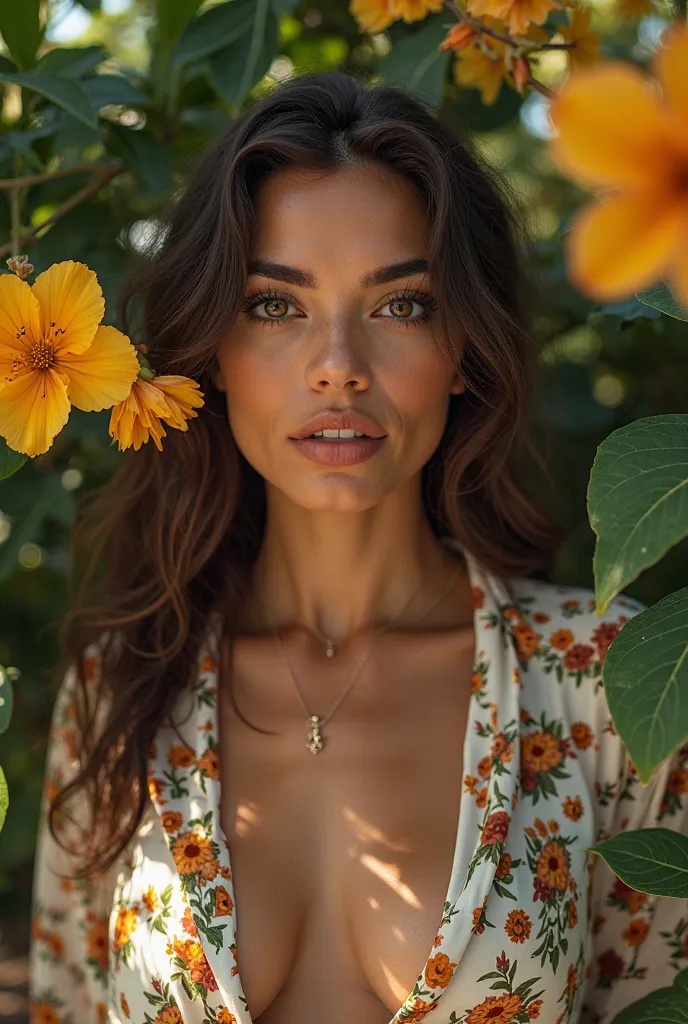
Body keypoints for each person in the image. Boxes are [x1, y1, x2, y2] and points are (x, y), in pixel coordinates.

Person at [28, 70, 688, 1024]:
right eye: (274, 305)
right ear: (211, 347)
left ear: (464, 345)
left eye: (401, 305)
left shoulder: (609, 685)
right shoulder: (121, 693)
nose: (338, 362)